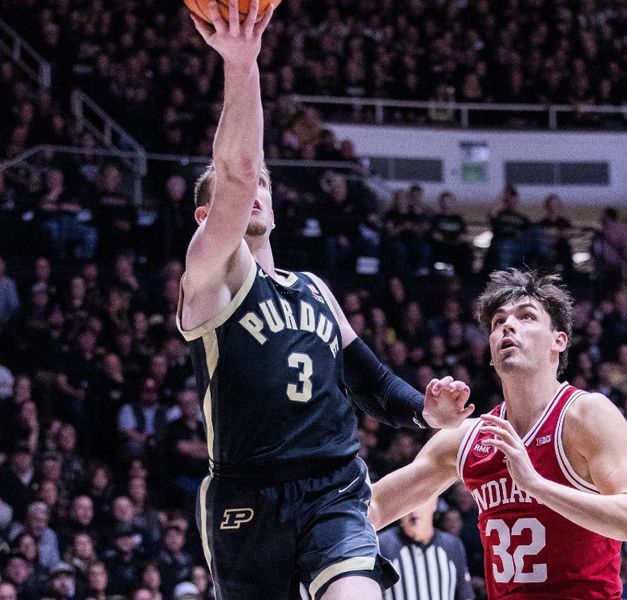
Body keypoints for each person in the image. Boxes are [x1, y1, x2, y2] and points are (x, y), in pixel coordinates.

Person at [178, 4, 473, 600]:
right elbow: (234, 170)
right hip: (247, 495)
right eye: (242, 187)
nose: (254, 188)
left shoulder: (314, 289)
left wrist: (428, 412)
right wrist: (242, 64)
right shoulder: (209, 278)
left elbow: (372, 384)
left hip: (334, 489)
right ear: (205, 218)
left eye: (265, 183)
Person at [369, 269, 627, 598]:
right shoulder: (467, 439)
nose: (507, 325)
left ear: (558, 340)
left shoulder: (585, 415)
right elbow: (375, 505)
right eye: (497, 322)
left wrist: (535, 485)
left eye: (527, 316)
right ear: (491, 353)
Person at [378, 497, 473, 600]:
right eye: (407, 502)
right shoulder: (382, 544)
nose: (413, 509)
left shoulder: (452, 545)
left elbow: (465, 595)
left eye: (420, 500)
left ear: (434, 503)